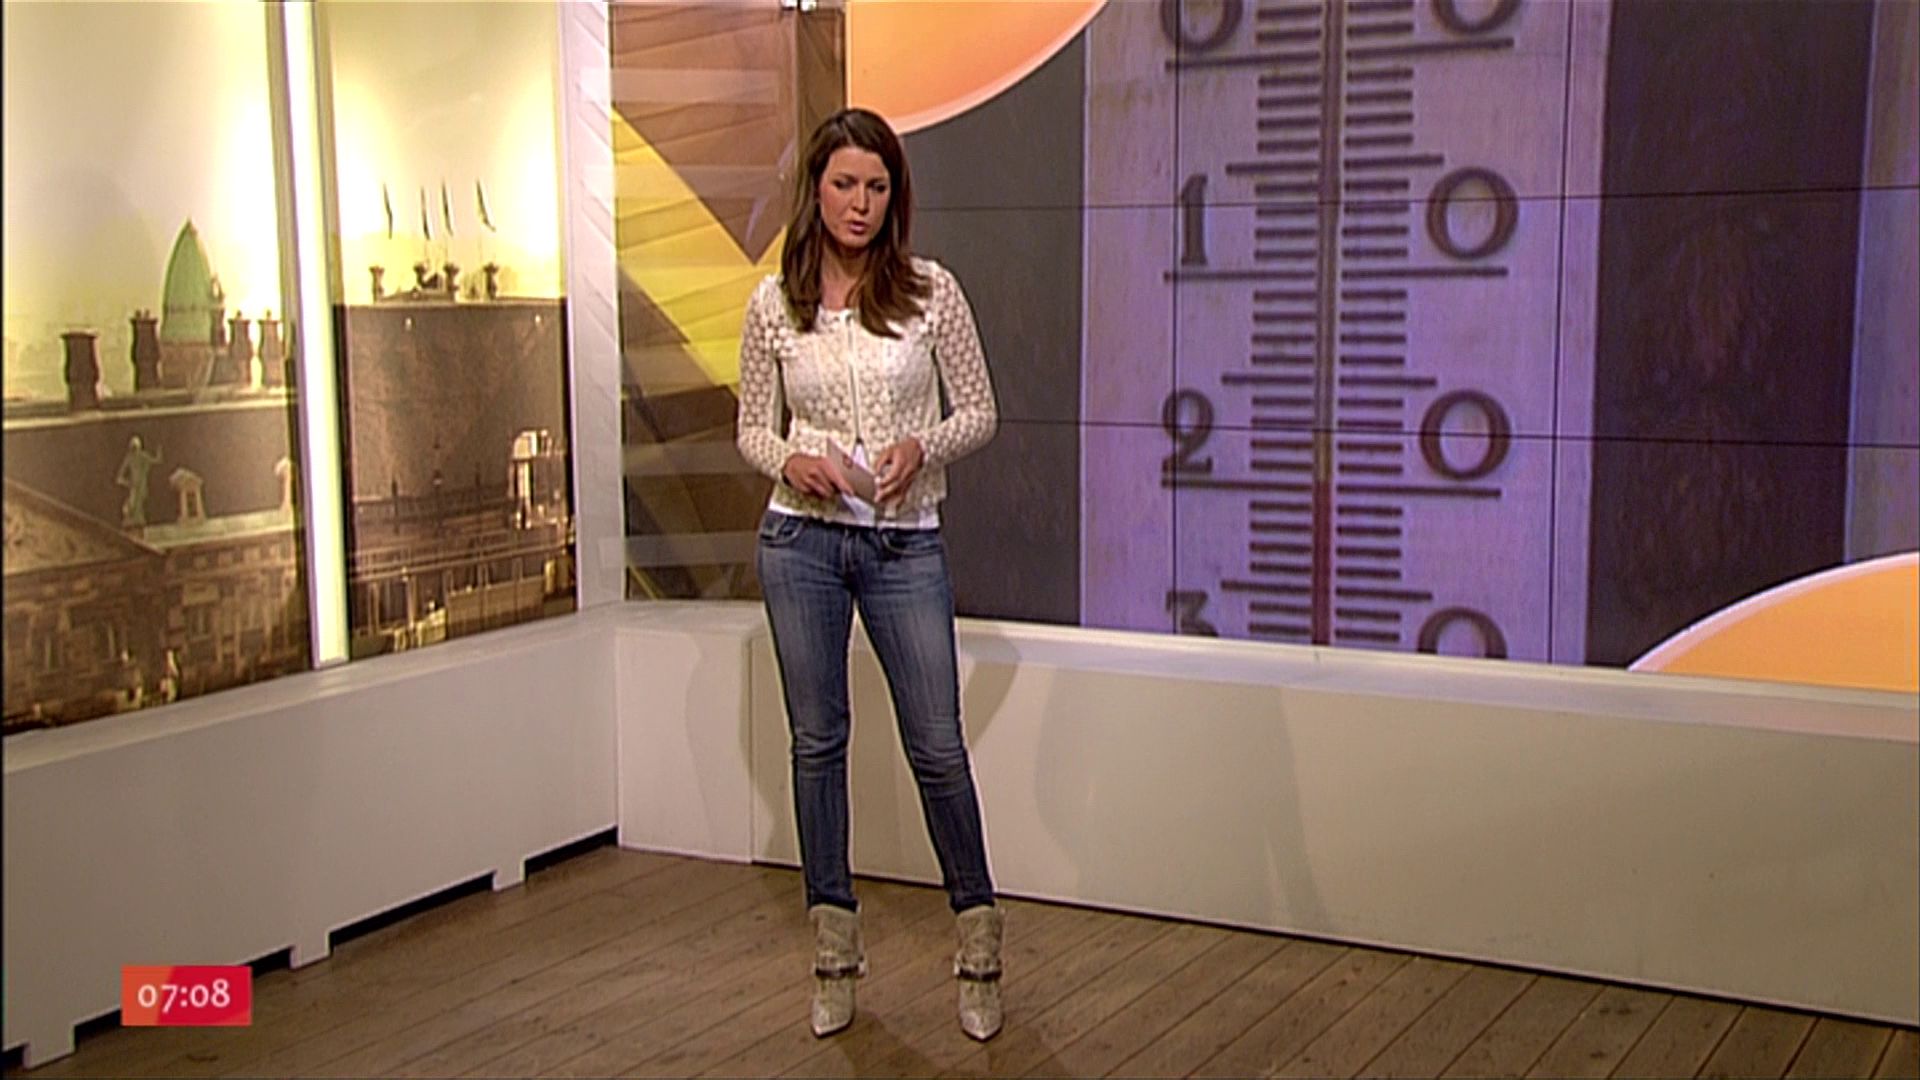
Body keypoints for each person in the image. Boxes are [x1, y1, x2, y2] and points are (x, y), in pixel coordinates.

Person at [735, 107, 1003, 1042]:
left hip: (903, 543)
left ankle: (978, 944)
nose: (860, 203)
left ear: (896, 197)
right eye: (845, 184)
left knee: (937, 744)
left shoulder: (932, 292)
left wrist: (920, 445)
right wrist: (789, 460)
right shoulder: (774, 304)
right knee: (818, 744)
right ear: (816, 189)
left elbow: (980, 412)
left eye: (878, 187)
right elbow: (752, 426)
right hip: (801, 543)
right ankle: (834, 952)